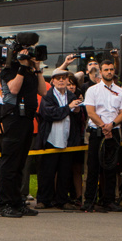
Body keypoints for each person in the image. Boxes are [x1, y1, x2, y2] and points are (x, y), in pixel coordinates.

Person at [0, 46, 44, 218]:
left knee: (20, 163)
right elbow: (14, 89)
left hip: (27, 118)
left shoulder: (31, 72)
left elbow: (43, 91)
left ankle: (17, 202)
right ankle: (5, 204)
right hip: (14, 118)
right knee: (10, 162)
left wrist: (37, 69)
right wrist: (23, 67)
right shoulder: (9, 70)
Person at [36, 70, 86, 209]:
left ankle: (62, 200)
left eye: (64, 78)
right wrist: (68, 108)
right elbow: (49, 113)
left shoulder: (71, 96)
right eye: (58, 78)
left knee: (65, 172)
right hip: (51, 138)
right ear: (52, 81)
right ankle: (43, 199)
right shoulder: (48, 96)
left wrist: (77, 111)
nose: (61, 81)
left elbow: (77, 116)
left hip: (67, 139)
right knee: (47, 172)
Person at [83, 58, 122, 212]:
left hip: (113, 132)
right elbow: (90, 112)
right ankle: (89, 201)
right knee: (93, 167)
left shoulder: (121, 91)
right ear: (101, 72)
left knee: (111, 168)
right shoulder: (93, 90)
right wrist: (103, 126)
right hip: (97, 131)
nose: (109, 72)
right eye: (106, 70)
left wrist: (112, 125)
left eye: (111, 69)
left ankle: (109, 200)